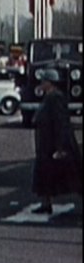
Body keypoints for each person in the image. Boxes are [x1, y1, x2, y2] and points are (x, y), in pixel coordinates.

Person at [31, 68, 82, 214]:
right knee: (45, 175)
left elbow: (61, 122)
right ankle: (46, 204)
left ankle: (47, 203)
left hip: (55, 144)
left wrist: (60, 147)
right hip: (46, 144)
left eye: (44, 81)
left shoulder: (56, 98)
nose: (41, 83)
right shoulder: (48, 97)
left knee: (73, 176)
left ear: (50, 83)